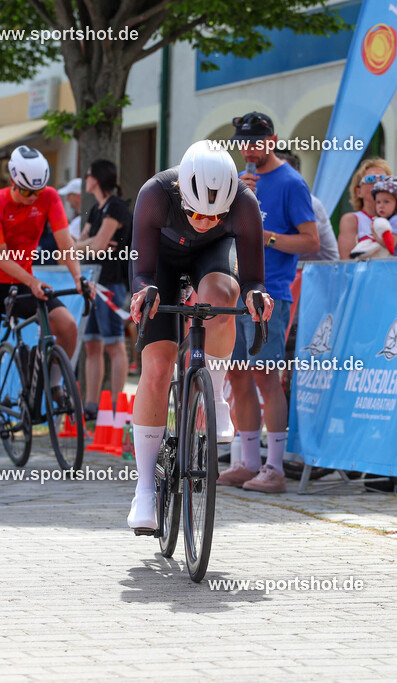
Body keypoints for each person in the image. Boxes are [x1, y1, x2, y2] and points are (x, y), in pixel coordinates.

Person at [126, 139, 273, 530]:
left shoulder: (243, 202)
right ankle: (144, 489)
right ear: (180, 193)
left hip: (213, 257)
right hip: (160, 262)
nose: (204, 222)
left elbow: (254, 279)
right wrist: (145, 291)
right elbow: (142, 272)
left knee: (222, 301)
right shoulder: (155, 194)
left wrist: (256, 294)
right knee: (157, 368)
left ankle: (216, 392)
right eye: (195, 213)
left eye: (215, 216)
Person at [0, 146, 86, 473]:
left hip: (22, 281)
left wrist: (78, 277)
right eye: (26, 192)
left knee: (66, 325)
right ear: (12, 182)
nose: (32, 198)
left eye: (37, 192)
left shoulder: (49, 198)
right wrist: (32, 281)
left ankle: (55, 384)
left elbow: (65, 242)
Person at [223, 111, 318, 495]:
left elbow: (311, 241)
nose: (248, 150)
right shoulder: (237, 181)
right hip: (233, 291)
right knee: (236, 375)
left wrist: (267, 237)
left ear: (272, 141)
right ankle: (248, 462)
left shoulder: (291, 183)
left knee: (266, 376)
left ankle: (275, 468)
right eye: (243, 143)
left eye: (255, 142)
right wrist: (236, 201)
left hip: (270, 292)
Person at [75, 160, 131, 420]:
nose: (85, 179)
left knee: (114, 344)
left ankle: (116, 407)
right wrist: (90, 244)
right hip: (91, 283)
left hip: (110, 284)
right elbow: (81, 245)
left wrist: (88, 245)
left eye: (88, 174)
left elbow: (95, 247)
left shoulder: (116, 207)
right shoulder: (96, 209)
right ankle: (91, 406)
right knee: (92, 345)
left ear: (96, 178)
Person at [275, 150, 339, 262]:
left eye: (282, 173)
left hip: (319, 270)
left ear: (297, 175)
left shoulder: (309, 202)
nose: (278, 179)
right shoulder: (268, 199)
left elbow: (309, 244)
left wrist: (267, 239)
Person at [338, 159, 392, 259]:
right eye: (370, 179)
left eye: (384, 179)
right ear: (359, 192)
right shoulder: (352, 220)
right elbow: (347, 262)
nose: (378, 182)